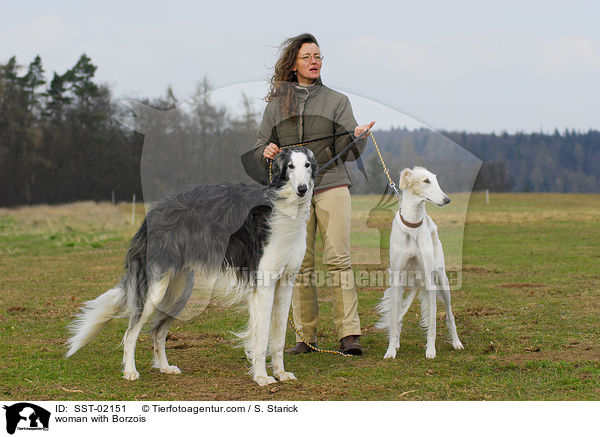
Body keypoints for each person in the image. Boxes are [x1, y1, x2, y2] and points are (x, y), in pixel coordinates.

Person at [254, 33, 375, 355]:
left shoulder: (337, 101)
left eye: (318, 56)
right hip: (293, 195)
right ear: (293, 64)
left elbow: (348, 151)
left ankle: (349, 334)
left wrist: (358, 137)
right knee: (299, 264)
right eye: (307, 57)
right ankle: (305, 338)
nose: (314, 62)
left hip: (332, 185)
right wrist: (265, 151)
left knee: (338, 259)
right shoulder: (276, 105)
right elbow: (260, 146)